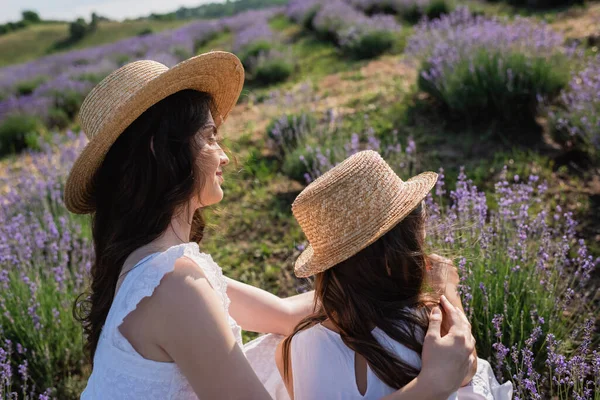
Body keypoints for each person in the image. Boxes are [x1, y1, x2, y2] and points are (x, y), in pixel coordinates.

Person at [65, 51, 477, 399]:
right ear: (161, 149)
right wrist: (431, 385)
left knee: (298, 342)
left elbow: (283, 314)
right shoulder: (173, 288)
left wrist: (430, 284)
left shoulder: (151, 268)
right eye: (210, 137)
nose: (223, 155)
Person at [274, 150, 514, 400]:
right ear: (403, 243)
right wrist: (447, 293)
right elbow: (467, 368)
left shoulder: (290, 352)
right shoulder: (424, 324)